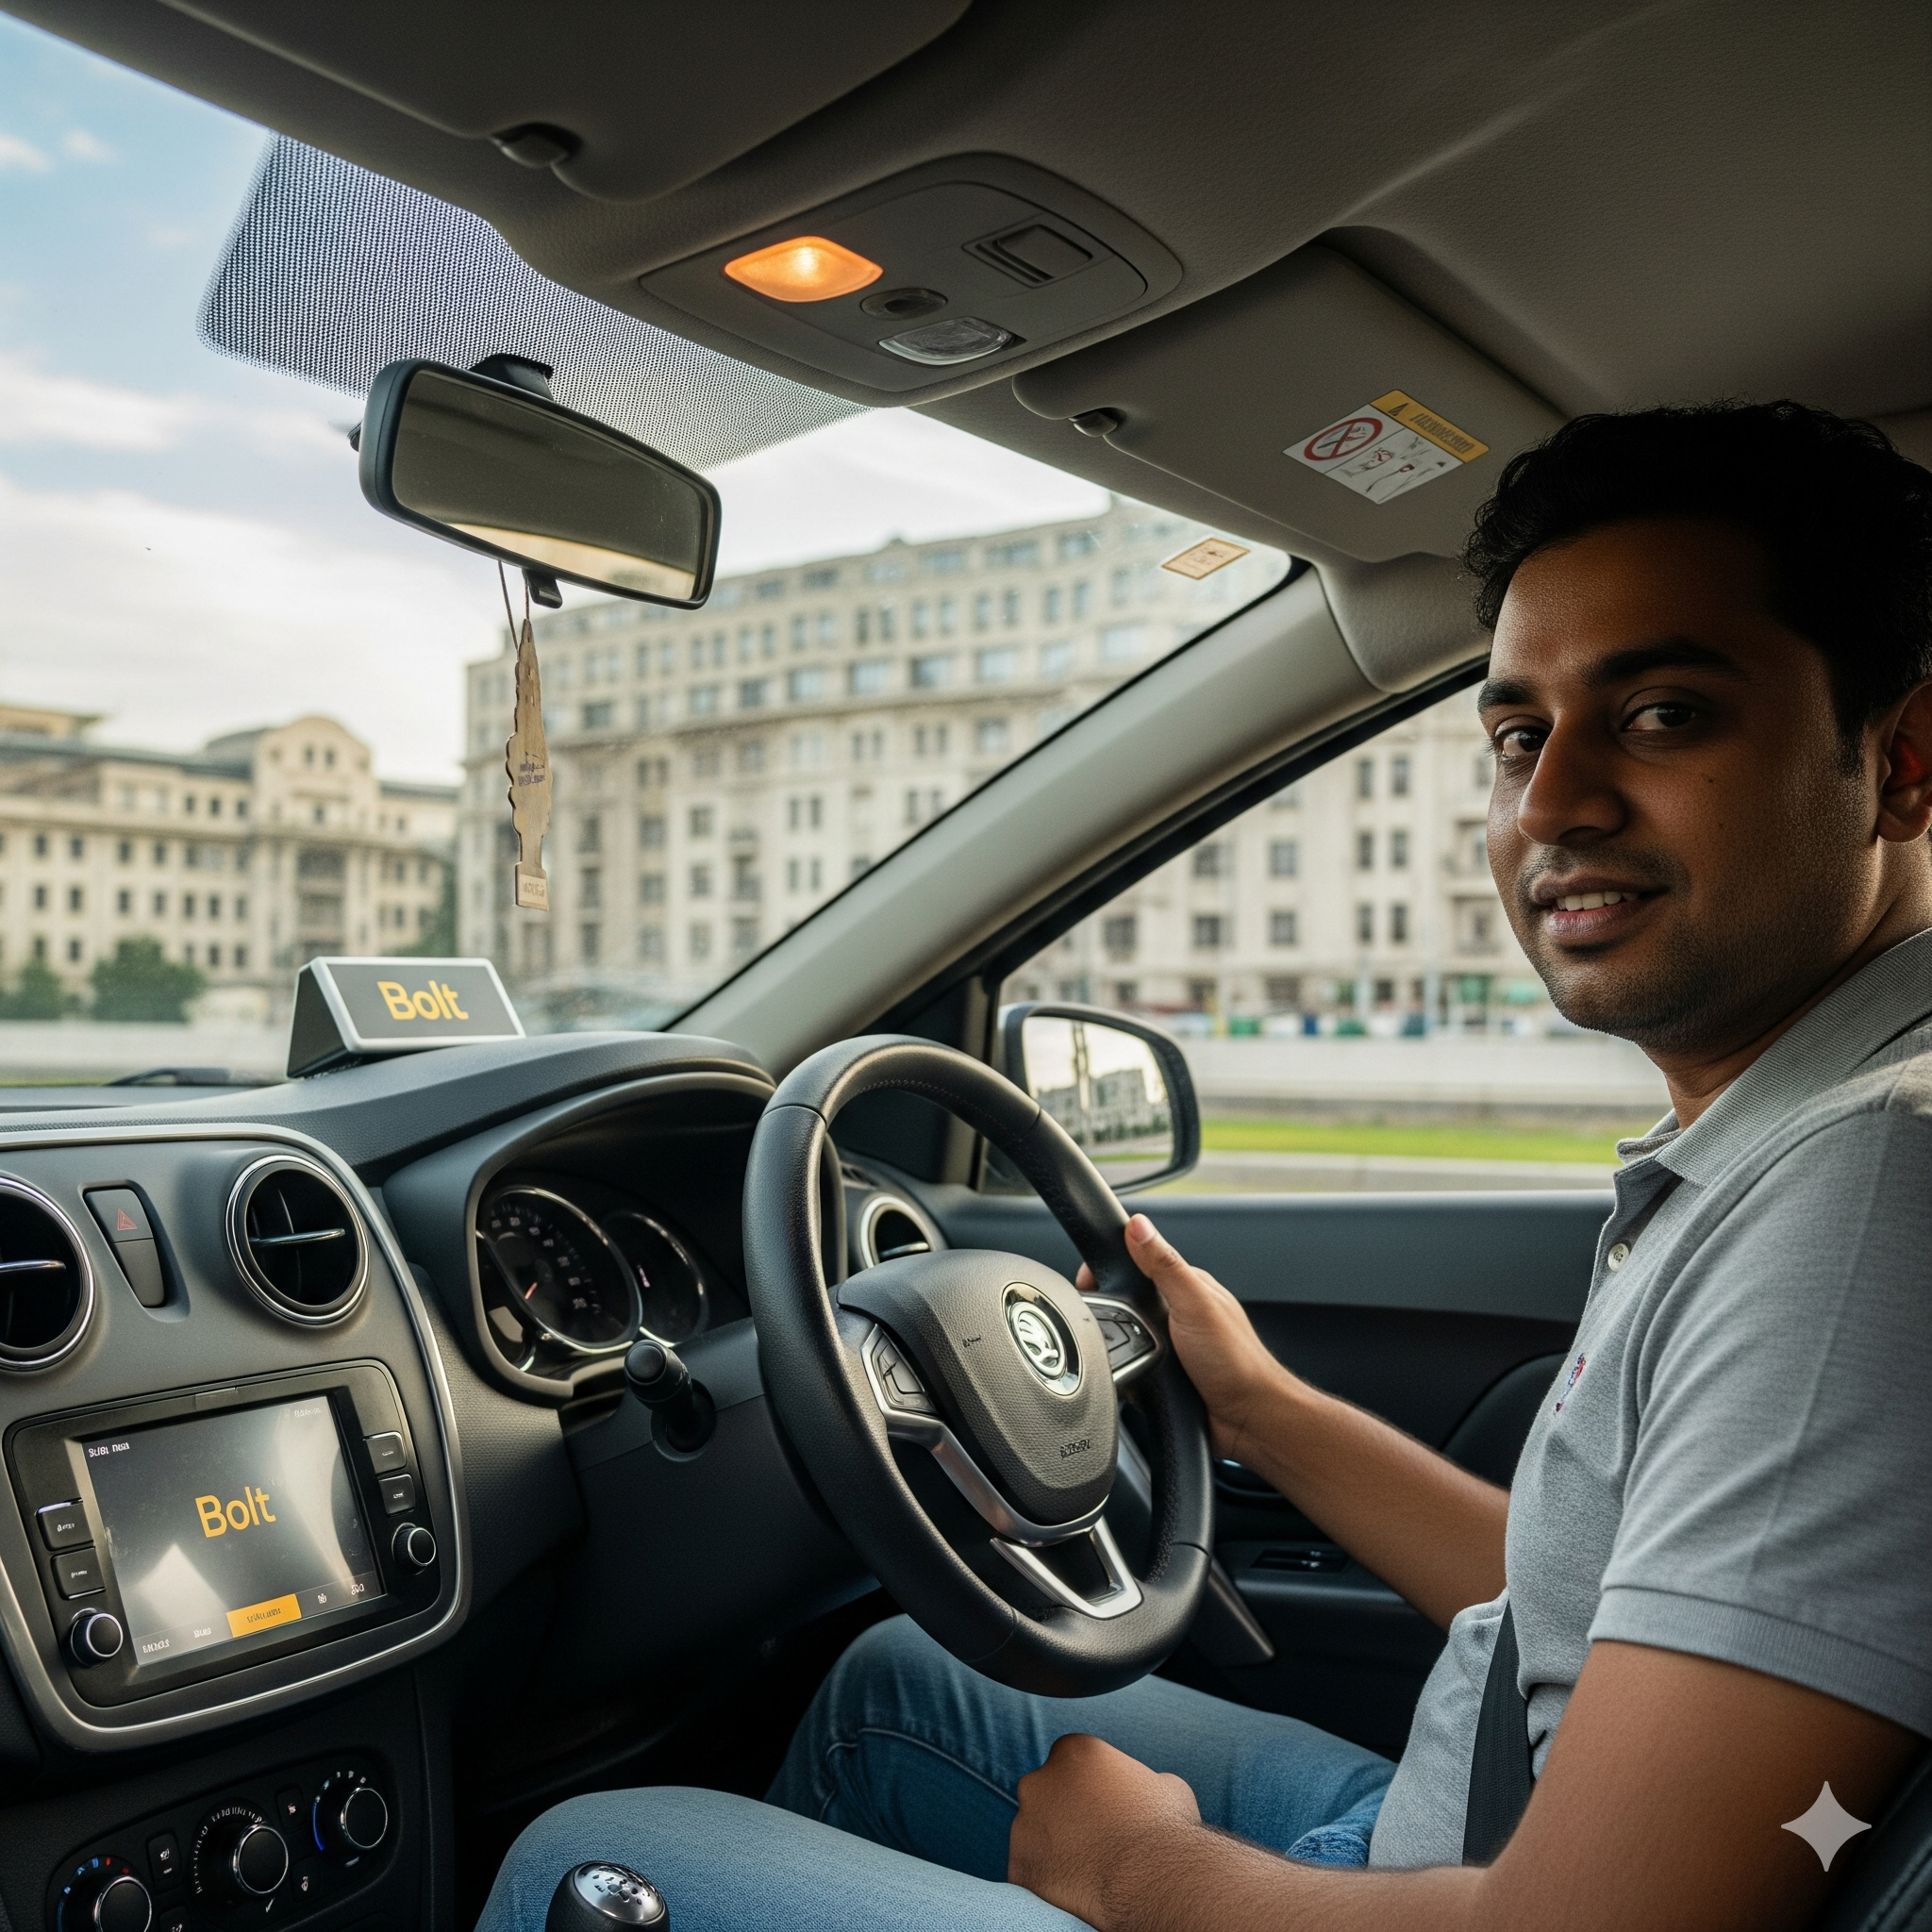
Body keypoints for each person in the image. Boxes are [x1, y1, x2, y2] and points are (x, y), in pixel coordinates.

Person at [480, 401, 1932, 1931]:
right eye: (1517, 735)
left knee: (586, 1853)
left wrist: (1136, 1871)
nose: (1548, 804)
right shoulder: (1794, 1132)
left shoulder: (1863, 1203)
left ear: (1903, 759)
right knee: (900, 1688)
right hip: (1459, 1833)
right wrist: (1257, 1407)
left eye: (1664, 716)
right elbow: (1585, 1608)